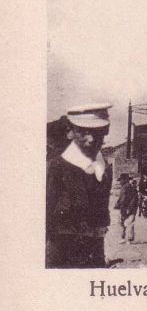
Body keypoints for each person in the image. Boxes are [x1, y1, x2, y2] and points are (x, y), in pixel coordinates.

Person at [46, 103, 114, 268]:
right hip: (64, 257)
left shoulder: (103, 168)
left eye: (98, 132)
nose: (91, 139)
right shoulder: (57, 167)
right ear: (71, 132)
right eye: (84, 132)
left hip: (95, 254)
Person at [115, 173, 138, 244]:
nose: (119, 182)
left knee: (123, 222)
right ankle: (129, 239)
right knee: (128, 222)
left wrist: (122, 206)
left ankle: (124, 238)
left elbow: (124, 199)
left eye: (121, 180)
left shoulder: (126, 187)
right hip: (129, 207)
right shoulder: (128, 187)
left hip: (126, 207)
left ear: (125, 180)